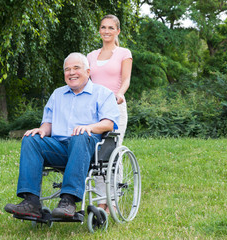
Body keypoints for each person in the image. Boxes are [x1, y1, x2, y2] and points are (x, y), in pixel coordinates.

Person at [4, 52, 119, 219]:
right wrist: (42, 130)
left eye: (76, 68)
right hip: (59, 147)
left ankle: (68, 201)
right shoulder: (57, 94)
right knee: (31, 138)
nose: (71, 72)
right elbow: (48, 122)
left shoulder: (102, 93)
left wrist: (88, 127)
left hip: (88, 147)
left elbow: (108, 123)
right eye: (67, 69)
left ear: (88, 71)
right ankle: (31, 202)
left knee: (80, 136)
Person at [87, 14, 133, 213]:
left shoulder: (124, 53)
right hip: (93, 110)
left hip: (115, 106)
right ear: (99, 30)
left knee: (112, 150)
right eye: (103, 27)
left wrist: (120, 93)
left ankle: (112, 199)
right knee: (97, 155)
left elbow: (126, 79)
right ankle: (101, 200)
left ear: (117, 31)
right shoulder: (90, 56)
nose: (106, 31)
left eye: (110, 28)